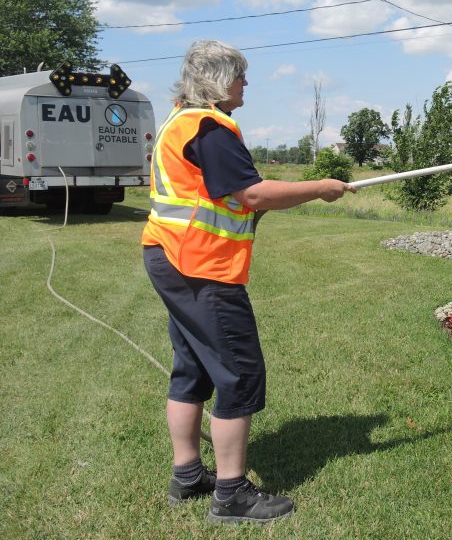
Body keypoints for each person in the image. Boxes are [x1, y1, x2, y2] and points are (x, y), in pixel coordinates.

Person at [141, 40, 354, 524]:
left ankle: (188, 475)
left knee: (192, 367)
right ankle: (232, 495)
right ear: (218, 80)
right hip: (200, 266)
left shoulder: (178, 120)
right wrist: (320, 188)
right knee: (238, 372)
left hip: (169, 256)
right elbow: (253, 194)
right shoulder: (211, 129)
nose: (246, 84)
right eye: (240, 76)